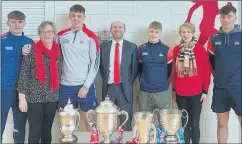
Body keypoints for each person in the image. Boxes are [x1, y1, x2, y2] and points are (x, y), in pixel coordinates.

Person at [17, 21, 62, 143]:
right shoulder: (31, 50)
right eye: (42, 32)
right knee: (35, 131)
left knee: (47, 131)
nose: (46, 34)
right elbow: (24, 73)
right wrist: (21, 98)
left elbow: (61, 74)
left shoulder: (59, 52)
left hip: (52, 97)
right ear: (39, 34)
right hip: (34, 97)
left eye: (48, 31)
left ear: (54, 33)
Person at [57, 4, 100, 132]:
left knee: (90, 124)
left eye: (79, 16)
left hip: (84, 87)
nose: (76, 19)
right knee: (67, 127)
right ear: (70, 17)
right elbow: (46, 43)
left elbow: (95, 63)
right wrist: (29, 47)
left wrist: (86, 86)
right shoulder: (61, 35)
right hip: (65, 86)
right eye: (73, 16)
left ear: (84, 17)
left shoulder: (91, 36)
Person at [172, 22, 211, 143]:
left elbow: (206, 71)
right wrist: (173, 89)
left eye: (188, 31)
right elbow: (174, 71)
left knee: (194, 124)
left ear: (193, 33)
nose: (186, 34)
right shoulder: (176, 49)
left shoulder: (200, 49)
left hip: (196, 93)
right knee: (184, 124)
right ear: (180, 34)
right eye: (183, 32)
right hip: (180, 92)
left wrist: (205, 91)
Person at [207, 3, 241, 143]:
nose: (226, 19)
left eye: (229, 16)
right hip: (220, 87)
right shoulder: (213, 38)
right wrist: (220, 78)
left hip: (238, 88)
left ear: (235, 18)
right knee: (221, 124)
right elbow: (211, 63)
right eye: (223, 16)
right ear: (219, 18)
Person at [99, 21, 139, 131]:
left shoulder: (132, 47)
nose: (117, 29)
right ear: (111, 30)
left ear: (124, 30)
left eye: (120, 27)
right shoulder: (103, 47)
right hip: (109, 88)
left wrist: (127, 82)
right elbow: (101, 68)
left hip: (124, 88)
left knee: (125, 121)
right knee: (107, 122)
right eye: (114, 27)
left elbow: (134, 69)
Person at [1, 10, 32, 143]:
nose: (17, 25)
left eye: (20, 22)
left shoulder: (30, 42)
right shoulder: (2, 40)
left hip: (23, 92)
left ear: (24, 23)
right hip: (4, 89)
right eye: (13, 21)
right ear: (8, 22)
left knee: (19, 126)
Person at [138, 21, 173, 112]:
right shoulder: (141, 48)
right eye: (151, 31)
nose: (154, 34)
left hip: (162, 92)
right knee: (145, 122)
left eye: (156, 32)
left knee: (164, 123)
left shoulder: (167, 49)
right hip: (145, 92)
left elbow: (170, 71)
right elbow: (139, 69)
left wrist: (163, 84)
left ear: (160, 33)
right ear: (148, 32)